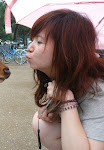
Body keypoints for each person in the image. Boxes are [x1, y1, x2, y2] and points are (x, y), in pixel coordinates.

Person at [26, 9, 104, 150]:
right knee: (42, 124)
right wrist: (54, 108)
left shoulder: (97, 90)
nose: (29, 47)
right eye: (32, 40)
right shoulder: (67, 76)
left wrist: (66, 100)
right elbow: (44, 116)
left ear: (66, 49)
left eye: (39, 42)